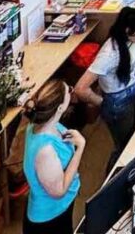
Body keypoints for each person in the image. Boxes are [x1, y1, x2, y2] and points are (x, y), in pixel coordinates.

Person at [74, 6, 135, 171]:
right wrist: (102, 102)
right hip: (118, 101)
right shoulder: (109, 54)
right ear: (128, 30)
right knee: (124, 145)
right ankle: (113, 179)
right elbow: (80, 89)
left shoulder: (133, 39)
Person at [22, 80, 84, 234]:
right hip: (50, 217)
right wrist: (80, 148)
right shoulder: (45, 151)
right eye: (68, 91)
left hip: (61, 208)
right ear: (60, 107)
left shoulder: (43, 125)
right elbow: (59, 190)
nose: (71, 92)